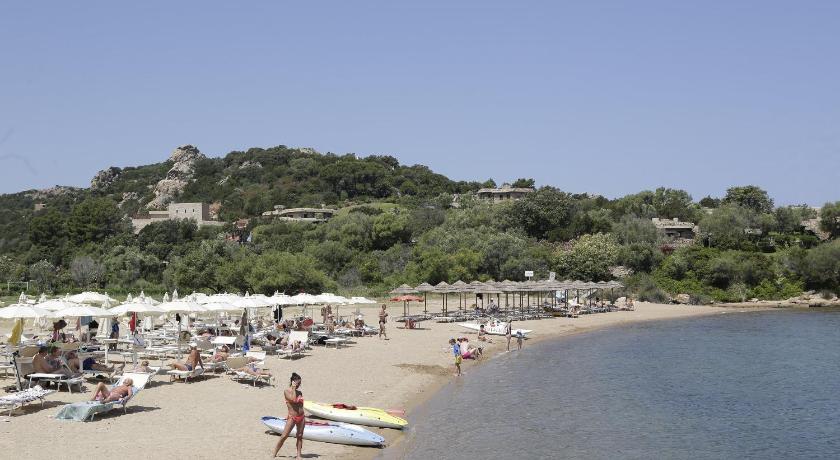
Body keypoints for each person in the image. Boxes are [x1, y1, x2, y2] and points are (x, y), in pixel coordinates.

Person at [273, 372, 305, 459]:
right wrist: (294, 388)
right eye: (297, 383)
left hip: (301, 417)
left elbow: (300, 405)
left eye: (300, 383)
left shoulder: (300, 392)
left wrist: (296, 389)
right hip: (292, 417)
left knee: (300, 436)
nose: (299, 385)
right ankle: (274, 452)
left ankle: (299, 455)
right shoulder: (286, 391)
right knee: (284, 436)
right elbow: (293, 399)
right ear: (293, 382)